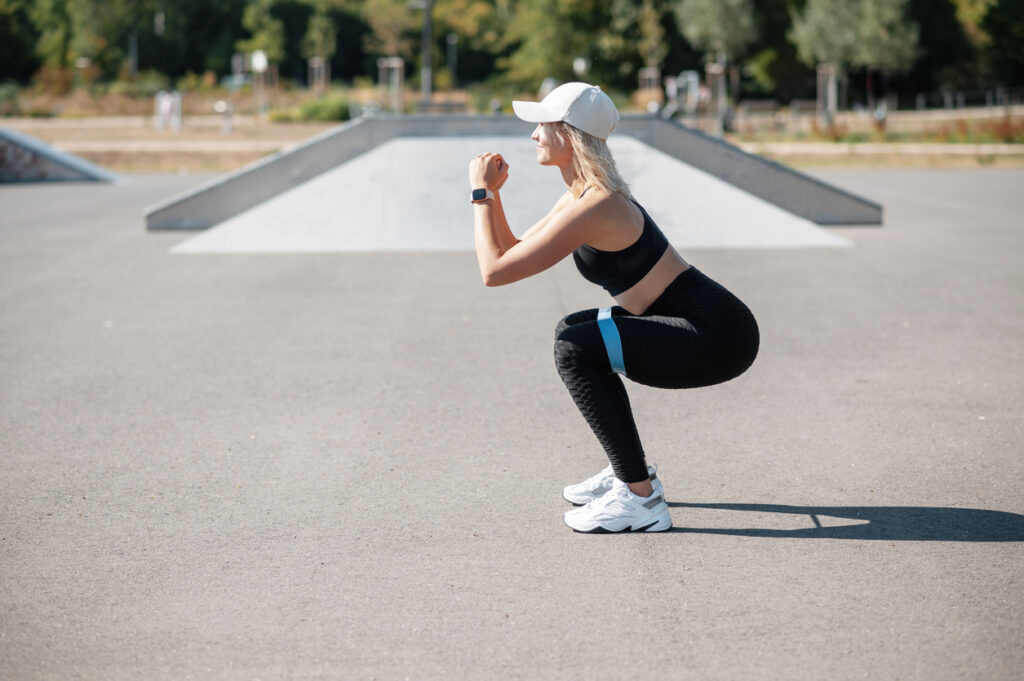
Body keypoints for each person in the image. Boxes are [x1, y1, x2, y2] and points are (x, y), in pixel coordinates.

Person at [468, 82, 759, 533]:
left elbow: (495, 270)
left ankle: (640, 499)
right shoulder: (581, 195)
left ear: (569, 133)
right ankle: (630, 471)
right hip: (699, 324)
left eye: (544, 125)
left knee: (574, 347)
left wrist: (480, 193)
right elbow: (513, 249)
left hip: (715, 335)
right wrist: (496, 196)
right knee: (575, 329)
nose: (534, 135)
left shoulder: (598, 204)